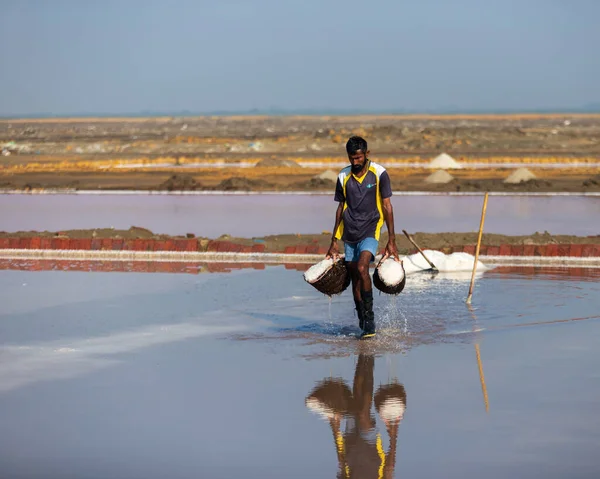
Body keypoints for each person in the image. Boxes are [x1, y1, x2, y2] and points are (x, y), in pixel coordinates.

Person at [326, 136, 400, 339]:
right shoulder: (343, 176)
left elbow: (387, 206)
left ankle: (370, 319)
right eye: (352, 158)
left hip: (370, 228)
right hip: (348, 232)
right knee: (355, 278)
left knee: (362, 267)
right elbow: (340, 207)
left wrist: (391, 239)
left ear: (367, 154)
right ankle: (361, 317)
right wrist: (333, 240)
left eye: (359, 157)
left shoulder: (379, 173)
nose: (355, 162)